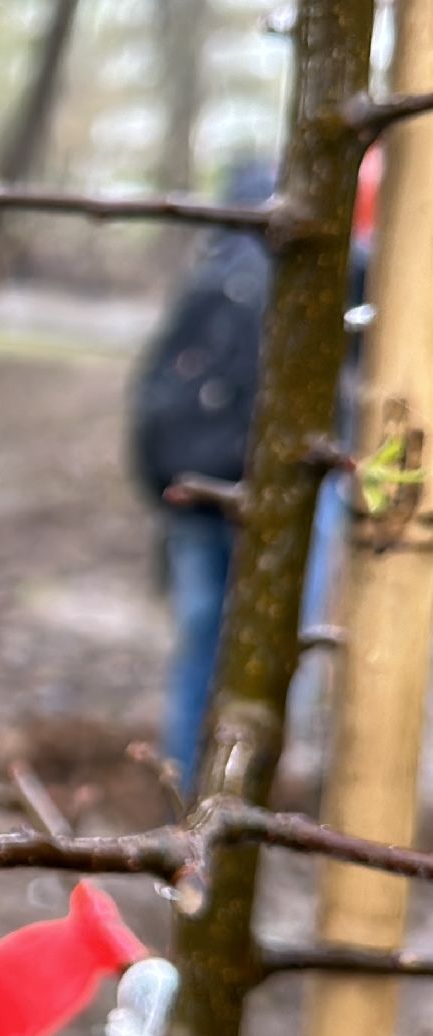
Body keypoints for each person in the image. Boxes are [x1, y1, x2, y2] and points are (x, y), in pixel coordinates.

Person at [130, 158, 372, 785]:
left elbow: (151, 392)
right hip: (285, 496)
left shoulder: (207, 277)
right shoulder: (323, 273)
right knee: (275, 653)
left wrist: (162, 493)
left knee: (200, 646)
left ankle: (187, 784)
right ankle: (245, 791)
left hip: (193, 495)